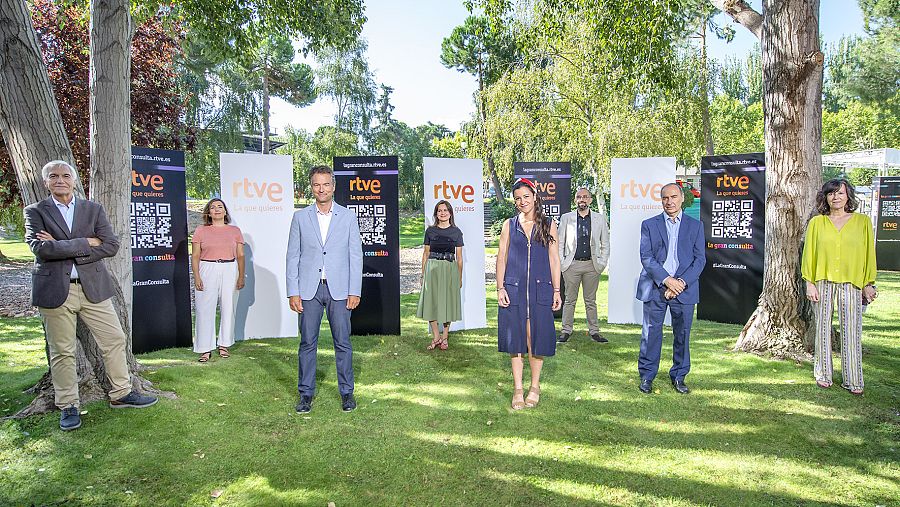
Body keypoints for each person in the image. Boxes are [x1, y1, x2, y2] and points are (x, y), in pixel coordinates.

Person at [24, 160, 157, 431]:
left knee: (115, 339)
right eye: (53, 176)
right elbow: (41, 250)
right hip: (55, 290)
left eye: (65, 175)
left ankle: (121, 393)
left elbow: (110, 245)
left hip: (92, 288)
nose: (60, 180)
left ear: (74, 180)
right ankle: (68, 405)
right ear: (46, 182)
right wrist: (86, 242)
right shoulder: (35, 211)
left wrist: (61, 245)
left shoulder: (92, 209)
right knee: (62, 350)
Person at [286, 165, 363, 413]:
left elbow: (355, 255)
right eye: (317, 184)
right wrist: (292, 291)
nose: (322, 189)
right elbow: (292, 256)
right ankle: (305, 394)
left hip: (339, 290)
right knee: (307, 342)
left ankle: (347, 393)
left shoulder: (348, 217)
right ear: (311, 187)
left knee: (343, 342)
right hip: (308, 290)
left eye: (326, 184)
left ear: (333, 186)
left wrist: (355, 290)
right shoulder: (300, 217)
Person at [802, 178, 877, 395]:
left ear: (848, 196)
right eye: (832, 193)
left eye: (841, 193)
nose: (836, 197)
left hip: (852, 282)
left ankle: (853, 379)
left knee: (852, 331)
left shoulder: (862, 222)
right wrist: (809, 283)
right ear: (826, 197)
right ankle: (823, 374)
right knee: (823, 328)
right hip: (822, 281)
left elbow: (868, 255)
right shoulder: (817, 223)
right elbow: (809, 255)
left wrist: (868, 283)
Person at [497, 178, 562, 409]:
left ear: (534, 196)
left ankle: (534, 386)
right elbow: (501, 258)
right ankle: (518, 389)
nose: (522, 201)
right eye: (517, 198)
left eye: (525, 196)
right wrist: (500, 287)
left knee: (536, 338)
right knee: (516, 340)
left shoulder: (548, 224)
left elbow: (554, 259)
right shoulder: (509, 225)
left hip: (540, 289)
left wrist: (556, 289)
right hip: (514, 289)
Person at [635, 183, 706, 395]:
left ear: (682, 198)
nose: (669, 202)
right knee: (651, 333)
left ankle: (679, 376)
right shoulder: (649, 224)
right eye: (665, 198)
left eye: (673, 197)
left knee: (682, 334)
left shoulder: (696, 226)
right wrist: (667, 280)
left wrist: (680, 283)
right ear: (661, 200)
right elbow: (646, 257)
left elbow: (699, 260)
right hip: (656, 287)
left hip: (684, 289)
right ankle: (647, 376)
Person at [191, 198, 245, 362]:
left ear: (225, 211)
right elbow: (195, 256)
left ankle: (224, 344)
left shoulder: (235, 231)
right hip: (207, 268)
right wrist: (197, 276)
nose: (216, 209)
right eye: (213, 207)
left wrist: (241, 276)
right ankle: (204, 348)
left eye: (220, 207)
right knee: (204, 308)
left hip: (230, 268)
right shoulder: (201, 230)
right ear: (208, 212)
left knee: (228, 307)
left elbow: (241, 255)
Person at [557, 187, 611, 343]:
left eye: (585, 197)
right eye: (579, 197)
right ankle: (566, 331)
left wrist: (601, 264)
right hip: (571, 266)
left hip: (592, 266)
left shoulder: (599, 219)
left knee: (590, 301)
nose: (582, 199)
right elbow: (560, 242)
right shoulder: (567, 218)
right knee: (569, 300)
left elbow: (605, 244)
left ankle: (594, 332)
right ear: (575, 200)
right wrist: (562, 263)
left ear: (590, 200)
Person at [417, 200, 464, 350]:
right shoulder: (430, 231)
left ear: (450, 213)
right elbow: (425, 254)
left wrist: (460, 277)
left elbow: (460, 258)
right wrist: (422, 274)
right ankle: (436, 336)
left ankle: (445, 337)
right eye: (439, 210)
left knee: (447, 302)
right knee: (432, 302)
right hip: (432, 269)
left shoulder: (456, 232)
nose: (442, 213)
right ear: (436, 213)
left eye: (445, 210)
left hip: (450, 269)